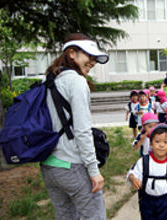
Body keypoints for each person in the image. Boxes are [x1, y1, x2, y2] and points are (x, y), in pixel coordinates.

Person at [40, 33, 107, 220]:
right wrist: (94, 171)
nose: (93, 62)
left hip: (49, 167)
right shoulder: (76, 82)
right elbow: (82, 131)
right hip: (72, 166)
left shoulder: (49, 81)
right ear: (71, 53)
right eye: (89, 56)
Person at [127, 124, 167, 220]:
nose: (161, 145)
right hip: (147, 199)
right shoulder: (144, 161)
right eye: (157, 141)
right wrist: (133, 179)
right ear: (151, 144)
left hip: (166, 200)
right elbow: (132, 174)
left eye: (166, 142)